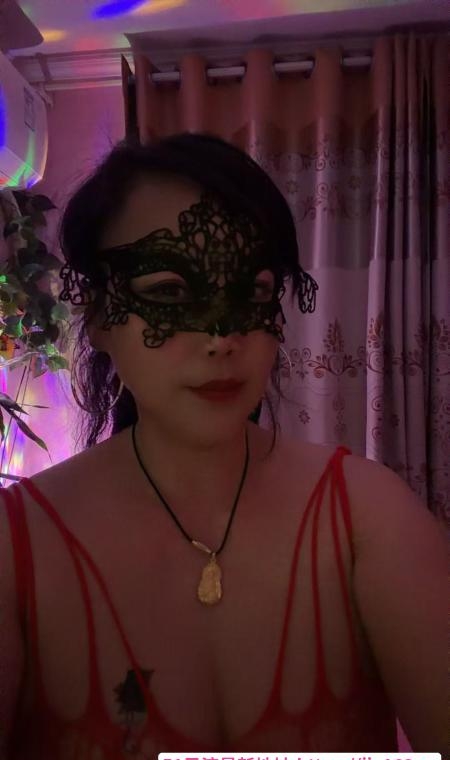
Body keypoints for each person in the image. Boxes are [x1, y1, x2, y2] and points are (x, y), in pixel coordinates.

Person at [0, 134, 447, 760]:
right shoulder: (16, 550)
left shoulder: (369, 516)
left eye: (252, 292)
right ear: (98, 315)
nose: (221, 337)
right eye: (168, 292)